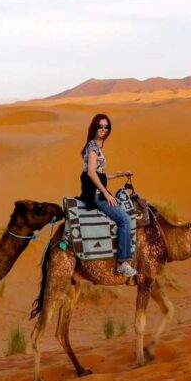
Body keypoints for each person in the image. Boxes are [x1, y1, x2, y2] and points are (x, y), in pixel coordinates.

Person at [80, 114, 137, 277]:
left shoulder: (96, 147)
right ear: (94, 128)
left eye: (106, 127)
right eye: (100, 126)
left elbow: (99, 174)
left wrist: (119, 174)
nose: (104, 130)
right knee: (124, 220)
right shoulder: (92, 148)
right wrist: (106, 194)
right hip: (96, 195)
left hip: (99, 191)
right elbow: (91, 173)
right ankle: (123, 263)